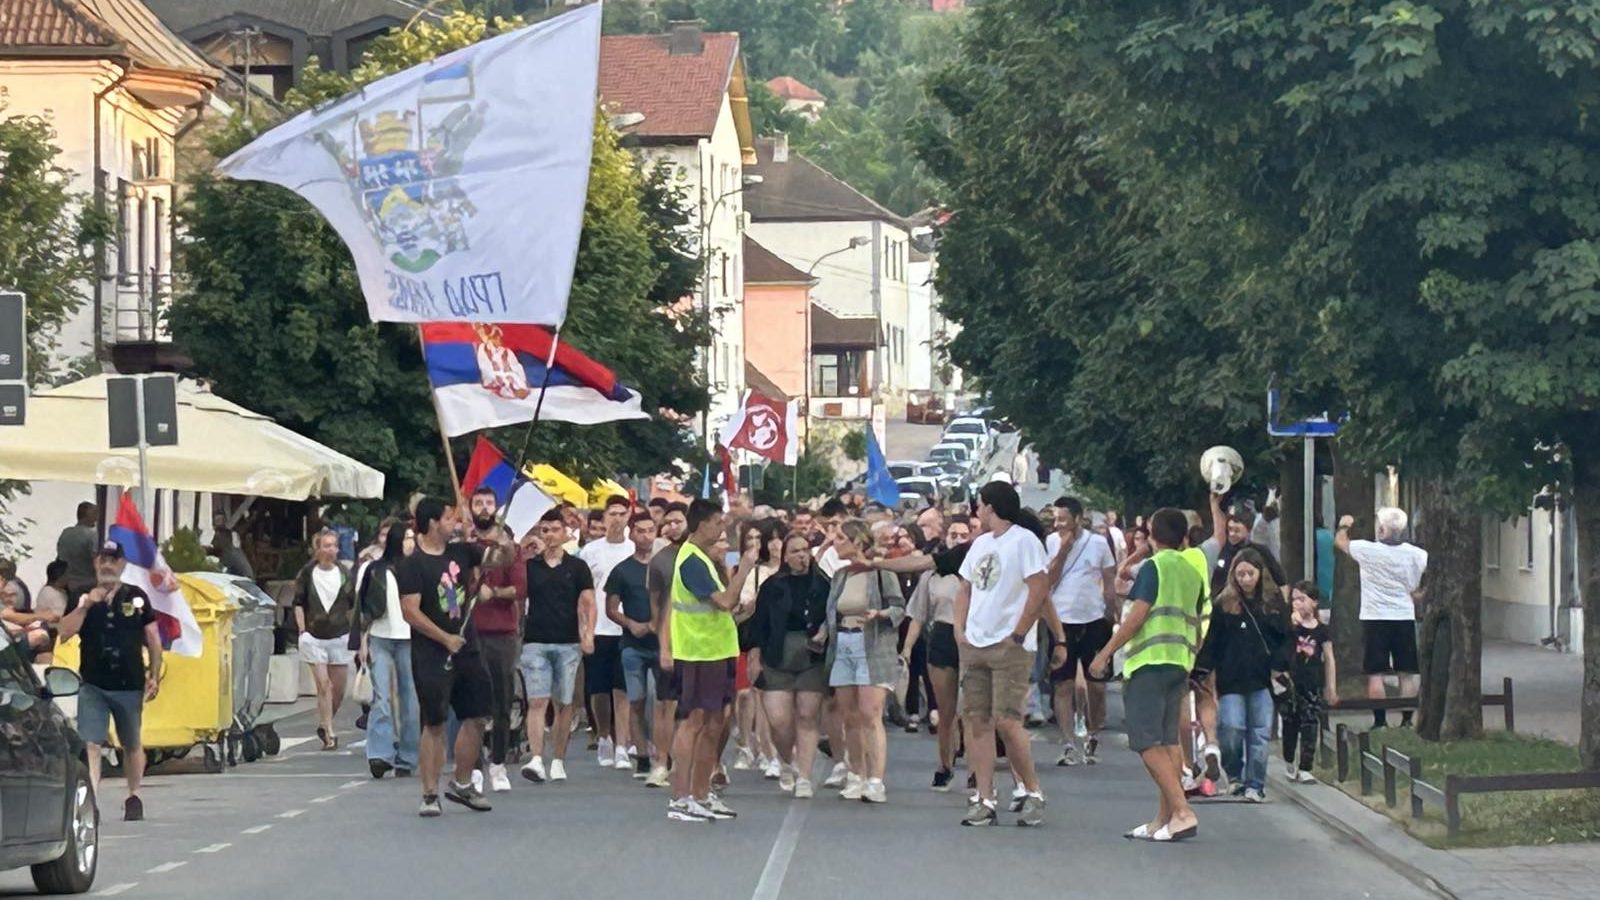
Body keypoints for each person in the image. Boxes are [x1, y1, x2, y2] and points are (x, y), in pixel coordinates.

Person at [1090, 508, 1205, 842]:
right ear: (1184, 537)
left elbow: (1137, 615)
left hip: (1148, 663)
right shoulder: (1191, 571)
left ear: (1152, 535)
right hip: (1179, 662)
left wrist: (1105, 653)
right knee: (1168, 742)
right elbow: (1197, 620)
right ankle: (1162, 820)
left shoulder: (1154, 567)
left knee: (1145, 742)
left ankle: (1182, 812)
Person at [395, 497, 515, 817]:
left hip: (467, 645)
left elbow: (500, 560)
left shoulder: (462, 551)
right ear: (433, 523)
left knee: (477, 715)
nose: (456, 524)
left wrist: (504, 544)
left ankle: (462, 782)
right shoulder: (412, 564)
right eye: (449, 519)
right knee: (434, 722)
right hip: (431, 651)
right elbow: (410, 611)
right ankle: (429, 793)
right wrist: (444, 638)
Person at [954, 481, 1058, 827]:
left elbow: (1039, 587)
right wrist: (960, 629)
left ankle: (1033, 791)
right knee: (977, 720)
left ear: (991, 506)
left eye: (980, 504)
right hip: (977, 642)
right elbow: (966, 587)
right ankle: (984, 798)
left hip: (1009, 645)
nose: (977, 511)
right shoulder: (981, 543)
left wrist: (1020, 630)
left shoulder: (1024, 541)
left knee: (1008, 721)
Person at [661, 498, 761, 822]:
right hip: (698, 652)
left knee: (715, 722)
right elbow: (725, 601)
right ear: (702, 524)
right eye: (718, 523)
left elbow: (722, 608)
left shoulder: (703, 559)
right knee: (694, 722)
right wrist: (745, 568)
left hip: (716, 650)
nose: (722, 530)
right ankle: (680, 798)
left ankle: (701, 793)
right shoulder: (691, 560)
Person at [55, 540, 161, 821]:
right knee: (91, 743)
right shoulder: (82, 596)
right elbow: (64, 632)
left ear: (123, 564)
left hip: (129, 683)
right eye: (103, 559)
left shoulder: (135, 597)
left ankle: (134, 795)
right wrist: (86, 606)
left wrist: (154, 673)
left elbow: (152, 637)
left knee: (131, 743)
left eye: (113, 560)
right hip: (93, 684)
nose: (107, 565)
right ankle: (92, 801)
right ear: (95, 563)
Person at [820, 520, 905, 803]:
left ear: (857, 542)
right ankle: (856, 774)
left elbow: (899, 607)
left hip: (873, 645)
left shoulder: (881, 572)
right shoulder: (840, 575)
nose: (835, 543)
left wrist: (879, 614)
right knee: (849, 715)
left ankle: (875, 780)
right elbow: (832, 611)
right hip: (843, 643)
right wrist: (823, 633)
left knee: (870, 712)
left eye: (840, 538)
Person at [1195, 548, 1285, 802]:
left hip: (1262, 679)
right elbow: (1213, 642)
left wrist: (1281, 665)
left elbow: (1284, 638)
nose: (1245, 579)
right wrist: (1201, 670)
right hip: (1231, 679)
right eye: (1240, 574)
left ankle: (1255, 784)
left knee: (1259, 734)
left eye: (1250, 574)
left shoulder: (1273, 604)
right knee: (1231, 729)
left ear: (1260, 574)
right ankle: (1235, 774)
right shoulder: (1224, 605)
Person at [748, 532, 830, 799]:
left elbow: (832, 615)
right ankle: (786, 759)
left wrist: (824, 633)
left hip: (811, 655)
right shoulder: (772, 586)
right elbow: (759, 624)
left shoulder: (822, 583)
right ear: (785, 556)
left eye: (805, 549)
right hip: (777, 654)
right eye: (795, 551)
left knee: (807, 716)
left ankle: (804, 776)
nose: (802, 555)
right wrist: (754, 657)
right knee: (779, 721)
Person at [520, 509, 594, 784]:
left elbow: (588, 602)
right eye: (545, 530)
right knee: (537, 701)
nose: (549, 535)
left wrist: (588, 634)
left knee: (564, 703)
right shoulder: (530, 566)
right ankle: (537, 758)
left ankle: (558, 759)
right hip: (535, 641)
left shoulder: (578, 567)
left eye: (554, 529)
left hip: (568, 642)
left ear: (565, 533)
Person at [1044, 496, 1118, 767]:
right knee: (1062, 683)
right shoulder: (1051, 542)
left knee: (1096, 684)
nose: (1058, 524)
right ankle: (1068, 743)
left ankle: (1092, 732)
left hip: (1093, 618)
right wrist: (1063, 551)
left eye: (1063, 519)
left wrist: (1111, 612)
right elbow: (1048, 581)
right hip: (1061, 620)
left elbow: (1109, 580)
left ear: (1077, 519)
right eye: (1056, 519)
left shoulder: (1098, 543)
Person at [1337, 508, 1427, 728]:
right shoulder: (1417, 554)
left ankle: (1380, 721)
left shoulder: (1367, 550)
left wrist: (1345, 524)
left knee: (1375, 673)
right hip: (1404, 616)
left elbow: (1341, 542)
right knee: (1407, 672)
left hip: (1374, 616)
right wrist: (1418, 594)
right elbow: (1429, 579)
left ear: (1383, 528)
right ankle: (1407, 720)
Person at [902, 519, 970, 789]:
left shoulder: (977, 572)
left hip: (972, 638)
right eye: (953, 534)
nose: (957, 539)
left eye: (963, 534)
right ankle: (945, 764)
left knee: (971, 709)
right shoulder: (932, 575)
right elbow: (918, 615)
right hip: (942, 635)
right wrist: (908, 647)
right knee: (946, 710)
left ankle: (976, 768)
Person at [466, 488, 525, 793]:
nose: (484, 508)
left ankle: (498, 762)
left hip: (502, 633)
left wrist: (495, 593)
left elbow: (520, 588)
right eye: (478, 503)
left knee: (502, 701)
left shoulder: (510, 548)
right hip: (470, 632)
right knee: (472, 703)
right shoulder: (463, 547)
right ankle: (474, 766)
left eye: (489, 503)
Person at [354, 523, 419, 779]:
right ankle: (379, 754)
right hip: (379, 636)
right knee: (380, 696)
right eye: (407, 538)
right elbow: (363, 607)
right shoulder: (374, 569)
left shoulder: (415, 569)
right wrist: (362, 641)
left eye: (412, 538)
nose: (411, 542)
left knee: (410, 698)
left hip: (410, 638)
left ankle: (408, 756)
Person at [578, 495, 635, 768]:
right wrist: (584, 629)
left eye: (622, 514)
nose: (617, 519)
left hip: (626, 627)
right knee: (599, 689)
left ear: (628, 516)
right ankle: (603, 736)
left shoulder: (634, 548)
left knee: (622, 689)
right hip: (598, 627)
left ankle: (622, 744)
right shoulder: (590, 552)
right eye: (612, 514)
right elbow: (583, 594)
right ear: (603, 518)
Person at [607, 511, 660, 780]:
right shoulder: (622, 570)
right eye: (641, 531)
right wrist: (631, 624)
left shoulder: (665, 567)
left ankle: (663, 754)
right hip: (633, 644)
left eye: (650, 530)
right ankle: (642, 757)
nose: (646, 536)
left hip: (663, 643)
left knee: (662, 700)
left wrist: (658, 623)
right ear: (632, 533)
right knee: (636, 700)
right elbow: (611, 608)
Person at [293, 529, 356, 750]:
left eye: (334, 546)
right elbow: (298, 603)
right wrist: (302, 630)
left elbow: (352, 603)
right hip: (314, 636)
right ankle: (329, 732)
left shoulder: (344, 574)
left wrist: (356, 632)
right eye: (326, 546)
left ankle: (325, 721)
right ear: (317, 549)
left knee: (338, 689)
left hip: (339, 635)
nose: (331, 550)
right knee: (324, 685)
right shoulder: (307, 573)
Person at [643, 501, 689, 787]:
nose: (672, 526)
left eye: (677, 521)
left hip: (701, 643)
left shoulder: (703, 554)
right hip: (670, 641)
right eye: (668, 522)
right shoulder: (660, 561)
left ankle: (697, 763)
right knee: (665, 704)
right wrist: (664, 646)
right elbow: (656, 607)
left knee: (698, 708)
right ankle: (661, 761)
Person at [1283, 581, 1337, 783]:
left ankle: (1306, 766)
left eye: (1302, 599)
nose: (1297, 603)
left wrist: (1331, 686)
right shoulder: (1290, 626)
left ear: (1314, 602)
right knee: (1290, 722)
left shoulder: (1322, 630)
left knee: (1310, 722)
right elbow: (1282, 647)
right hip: (1291, 682)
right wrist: (1292, 625)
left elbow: (1329, 658)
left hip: (1312, 682)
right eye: (1294, 599)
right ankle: (1289, 759)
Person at [1207, 491, 1289, 600]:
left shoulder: (1261, 551)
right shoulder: (1222, 551)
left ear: (1248, 529)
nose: (1232, 534)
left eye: (1237, 530)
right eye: (1229, 529)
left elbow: (1282, 583)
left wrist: (1284, 606)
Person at [56, 501, 99, 599]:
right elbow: (96, 560)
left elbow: (60, 558)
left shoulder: (66, 533)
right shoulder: (93, 535)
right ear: (87, 516)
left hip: (67, 583)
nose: (97, 516)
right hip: (88, 584)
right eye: (95, 513)